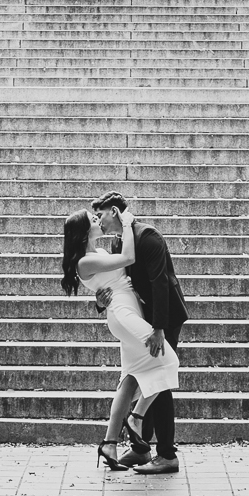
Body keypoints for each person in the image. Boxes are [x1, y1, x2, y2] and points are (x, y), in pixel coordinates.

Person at [59, 205, 180, 472]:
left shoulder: (99, 253)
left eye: (97, 215)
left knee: (131, 377)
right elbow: (128, 258)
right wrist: (126, 222)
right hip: (124, 314)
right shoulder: (84, 261)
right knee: (169, 362)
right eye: (92, 218)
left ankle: (109, 443)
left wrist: (99, 299)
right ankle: (136, 418)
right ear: (84, 232)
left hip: (128, 309)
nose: (97, 219)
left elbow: (110, 280)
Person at [93, 192, 188, 473]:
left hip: (165, 318)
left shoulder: (148, 236)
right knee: (145, 375)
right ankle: (141, 449)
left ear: (114, 211)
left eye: (100, 215)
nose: (98, 221)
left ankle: (167, 455)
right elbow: (119, 282)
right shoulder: (119, 241)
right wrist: (100, 302)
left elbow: (160, 283)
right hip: (142, 316)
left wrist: (158, 328)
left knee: (159, 378)